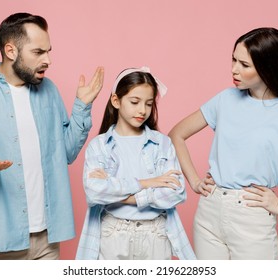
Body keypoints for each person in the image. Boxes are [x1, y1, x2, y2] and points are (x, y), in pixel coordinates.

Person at [0, 12, 104, 260]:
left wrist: (82, 106)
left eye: (49, 51)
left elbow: (66, 154)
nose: (48, 60)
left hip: (46, 240)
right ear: (11, 51)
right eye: (38, 52)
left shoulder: (48, 90)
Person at [168, 27, 278, 260]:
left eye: (244, 65)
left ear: (267, 67)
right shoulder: (226, 99)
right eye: (234, 60)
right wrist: (194, 181)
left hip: (251, 217)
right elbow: (176, 134)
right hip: (209, 211)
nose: (234, 69)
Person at [75, 67, 196, 260]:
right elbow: (94, 191)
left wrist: (117, 192)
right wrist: (148, 182)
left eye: (149, 104)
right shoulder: (99, 146)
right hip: (113, 234)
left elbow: (176, 192)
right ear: (116, 101)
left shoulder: (162, 143)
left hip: (155, 234)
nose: (143, 110)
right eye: (135, 102)